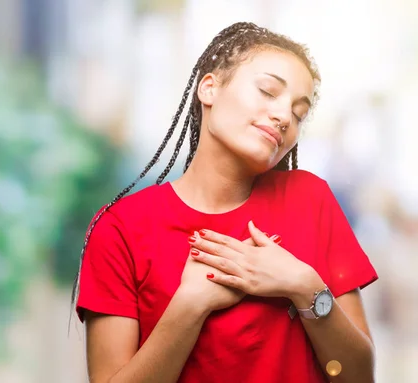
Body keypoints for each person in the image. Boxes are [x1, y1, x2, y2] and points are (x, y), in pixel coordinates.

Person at [72, 21, 378, 383]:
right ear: (209, 88)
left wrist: (305, 286)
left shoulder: (312, 201)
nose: (283, 118)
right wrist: (189, 306)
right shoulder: (120, 228)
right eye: (268, 91)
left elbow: (356, 377)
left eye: (298, 114)